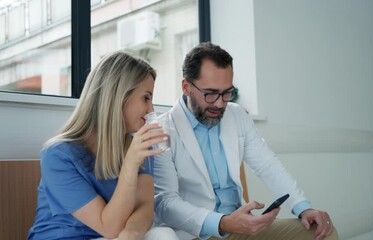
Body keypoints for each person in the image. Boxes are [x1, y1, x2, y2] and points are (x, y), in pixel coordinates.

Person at [153, 42, 339, 240]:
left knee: (322, 234)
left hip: (240, 231)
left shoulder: (236, 115)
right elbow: (165, 203)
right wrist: (222, 223)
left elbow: (267, 165)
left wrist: (303, 207)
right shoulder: (162, 130)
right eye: (210, 94)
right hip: (197, 234)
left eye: (226, 93)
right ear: (186, 87)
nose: (219, 103)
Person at [27, 52, 178, 240]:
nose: (151, 110)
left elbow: (144, 208)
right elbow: (109, 227)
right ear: (118, 96)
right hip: (66, 237)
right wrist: (130, 164)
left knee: (163, 234)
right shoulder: (58, 155)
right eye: (146, 98)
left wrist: (130, 234)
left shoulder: (139, 144)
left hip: (116, 236)